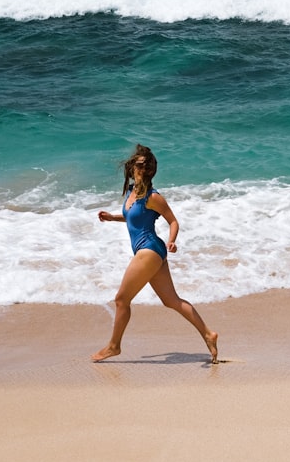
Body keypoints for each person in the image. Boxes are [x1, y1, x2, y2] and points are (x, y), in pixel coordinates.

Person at [92, 144, 219, 363]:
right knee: (171, 301)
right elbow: (135, 218)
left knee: (121, 299)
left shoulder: (153, 197)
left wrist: (172, 241)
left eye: (143, 165)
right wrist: (113, 218)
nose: (139, 168)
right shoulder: (133, 193)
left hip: (149, 249)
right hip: (151, 251)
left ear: (150, 170)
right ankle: (209, 334)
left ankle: (114, 346)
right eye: (137, 164)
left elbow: (173, 221)